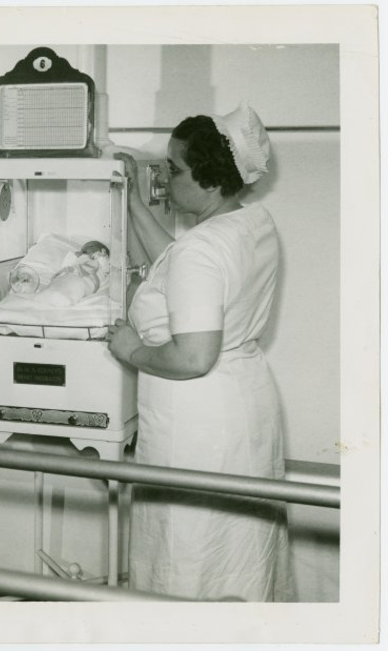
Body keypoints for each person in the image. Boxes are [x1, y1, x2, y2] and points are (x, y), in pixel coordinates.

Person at [109, 103, 295, 602]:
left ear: (211, 181)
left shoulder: (202, 248)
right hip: (241, 406)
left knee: (188, 553)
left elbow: (193, 357)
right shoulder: (250, 223)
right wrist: (129, 201)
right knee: (235, 547)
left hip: (197, 419)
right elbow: (174, 267)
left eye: (175, 169)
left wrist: (132, 351)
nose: (165, 179)